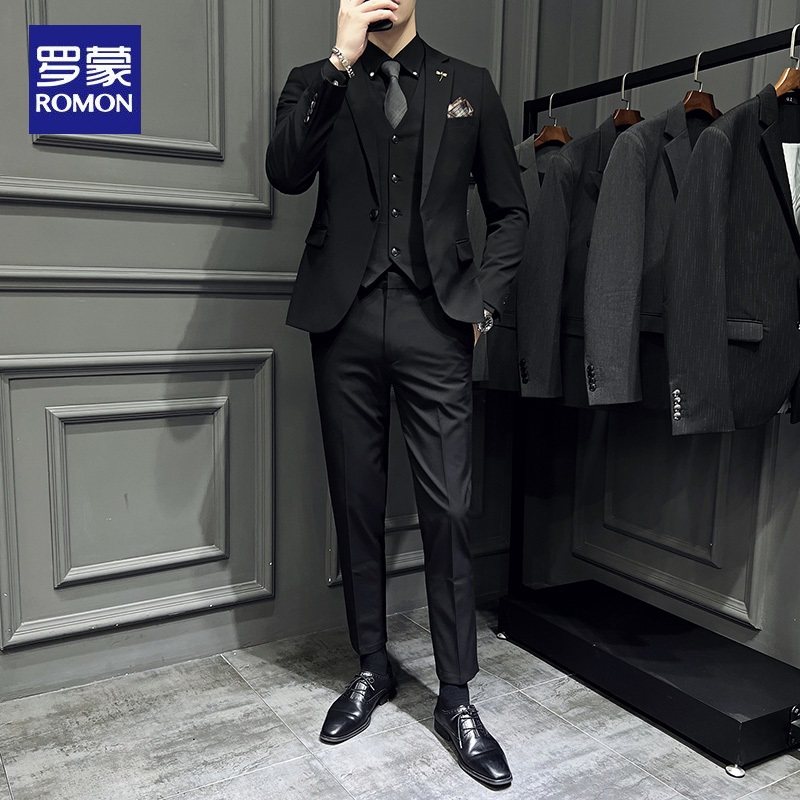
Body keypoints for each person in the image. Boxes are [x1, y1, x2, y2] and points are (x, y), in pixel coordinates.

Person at [266, 0, 527, 788]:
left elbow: (511, 212)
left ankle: (457, 698)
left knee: (449, 508)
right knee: (357, 500)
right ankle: (372, 666)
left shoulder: (468, 84)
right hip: (342, 322)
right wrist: (339, 63)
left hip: (435, 322)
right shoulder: (315, 80)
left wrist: (483, 306)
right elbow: (285, 171)